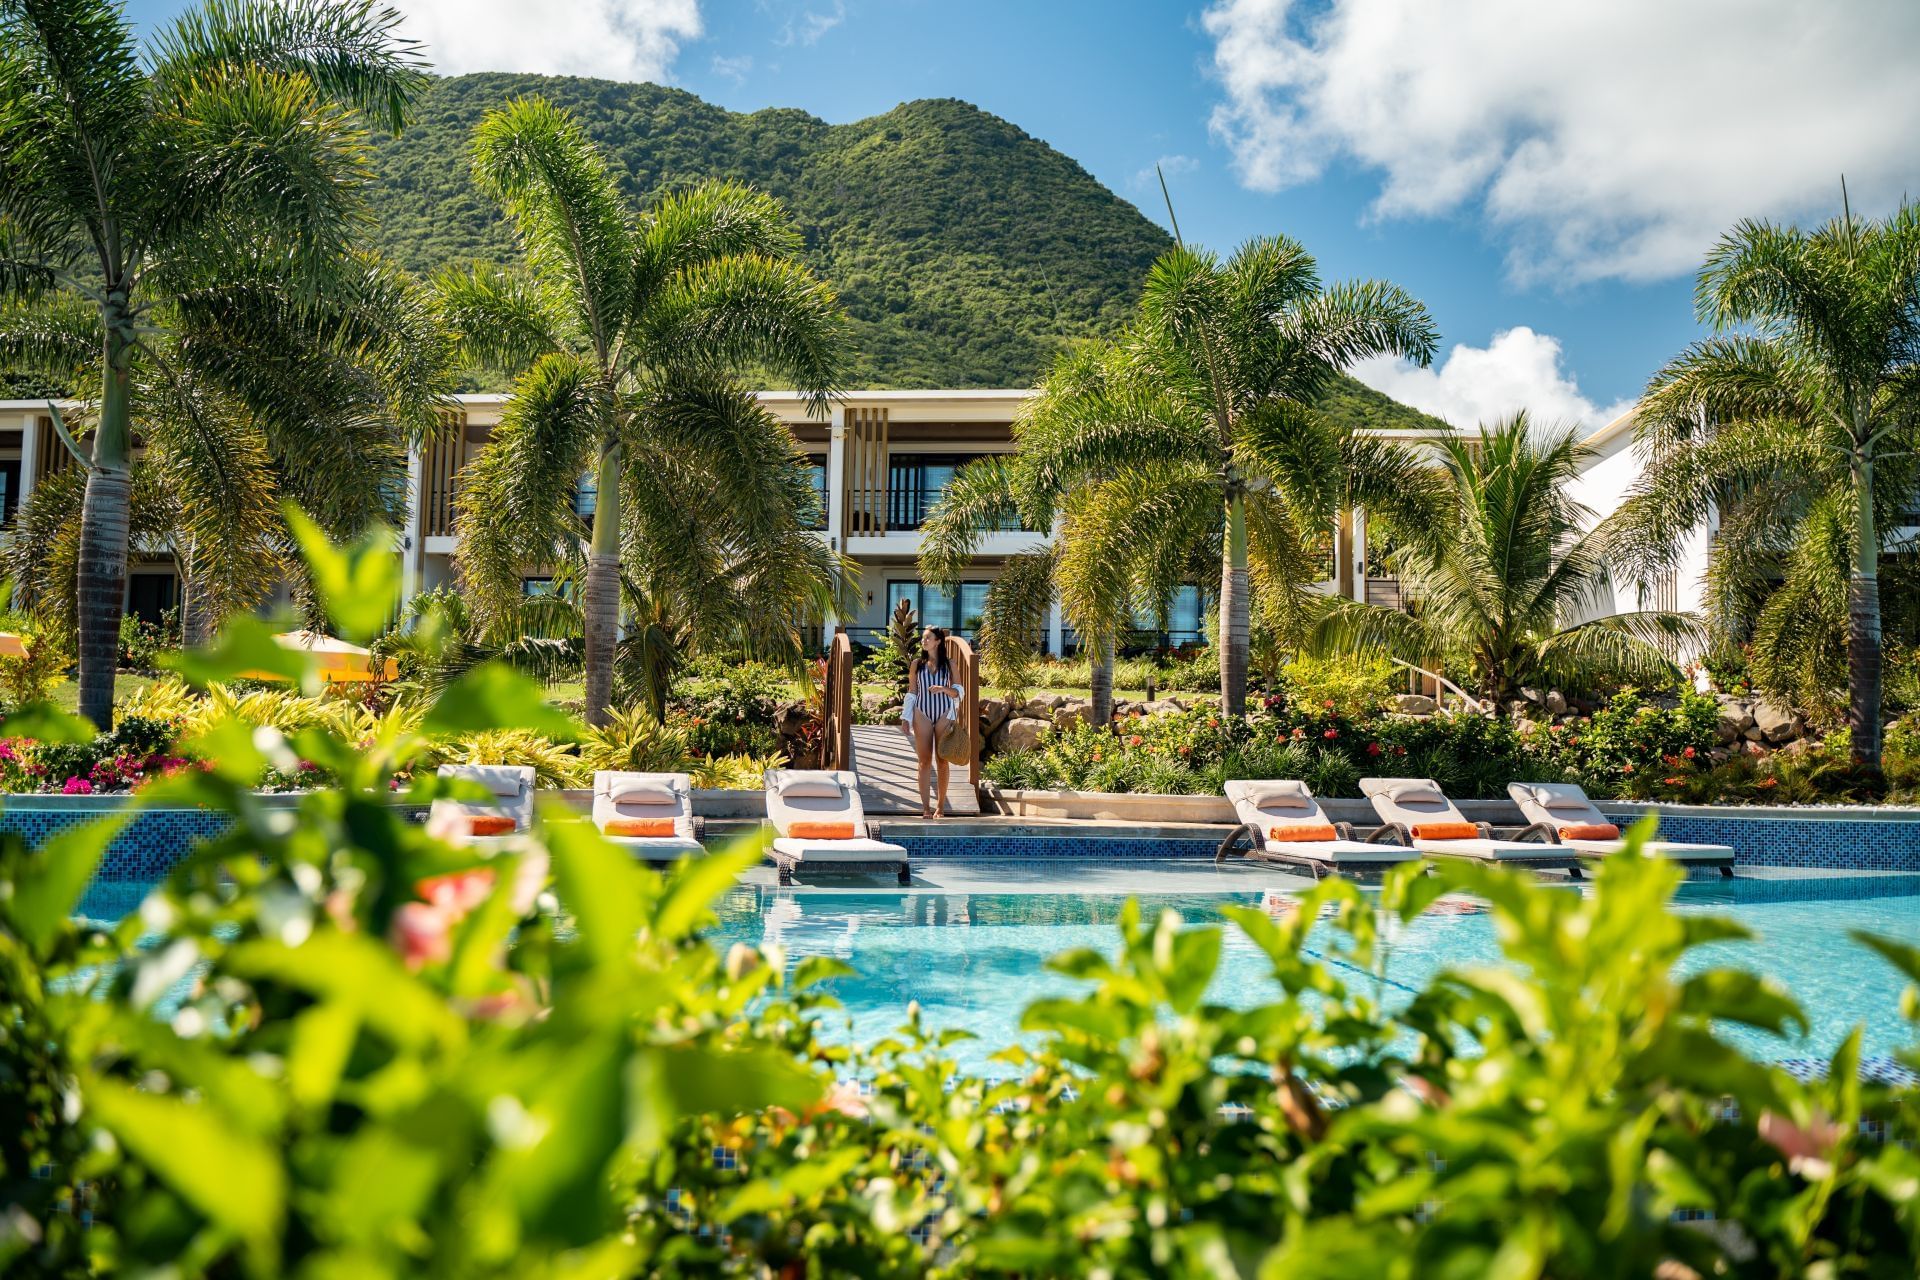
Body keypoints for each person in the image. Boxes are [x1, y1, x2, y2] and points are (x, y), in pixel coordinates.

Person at [905, 626, 959, 818]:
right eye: (923, 638)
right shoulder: (916, 664)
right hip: (922, 713)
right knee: (924, 761)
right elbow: (912, 692)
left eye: (928, 638)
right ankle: (926, 808)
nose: (924, 641)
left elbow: (959, 692)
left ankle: (941, 806)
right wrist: (906, 718)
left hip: (944, 713)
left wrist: (944, 689)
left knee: (942, 761)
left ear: (938, 641)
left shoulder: (950, 664)